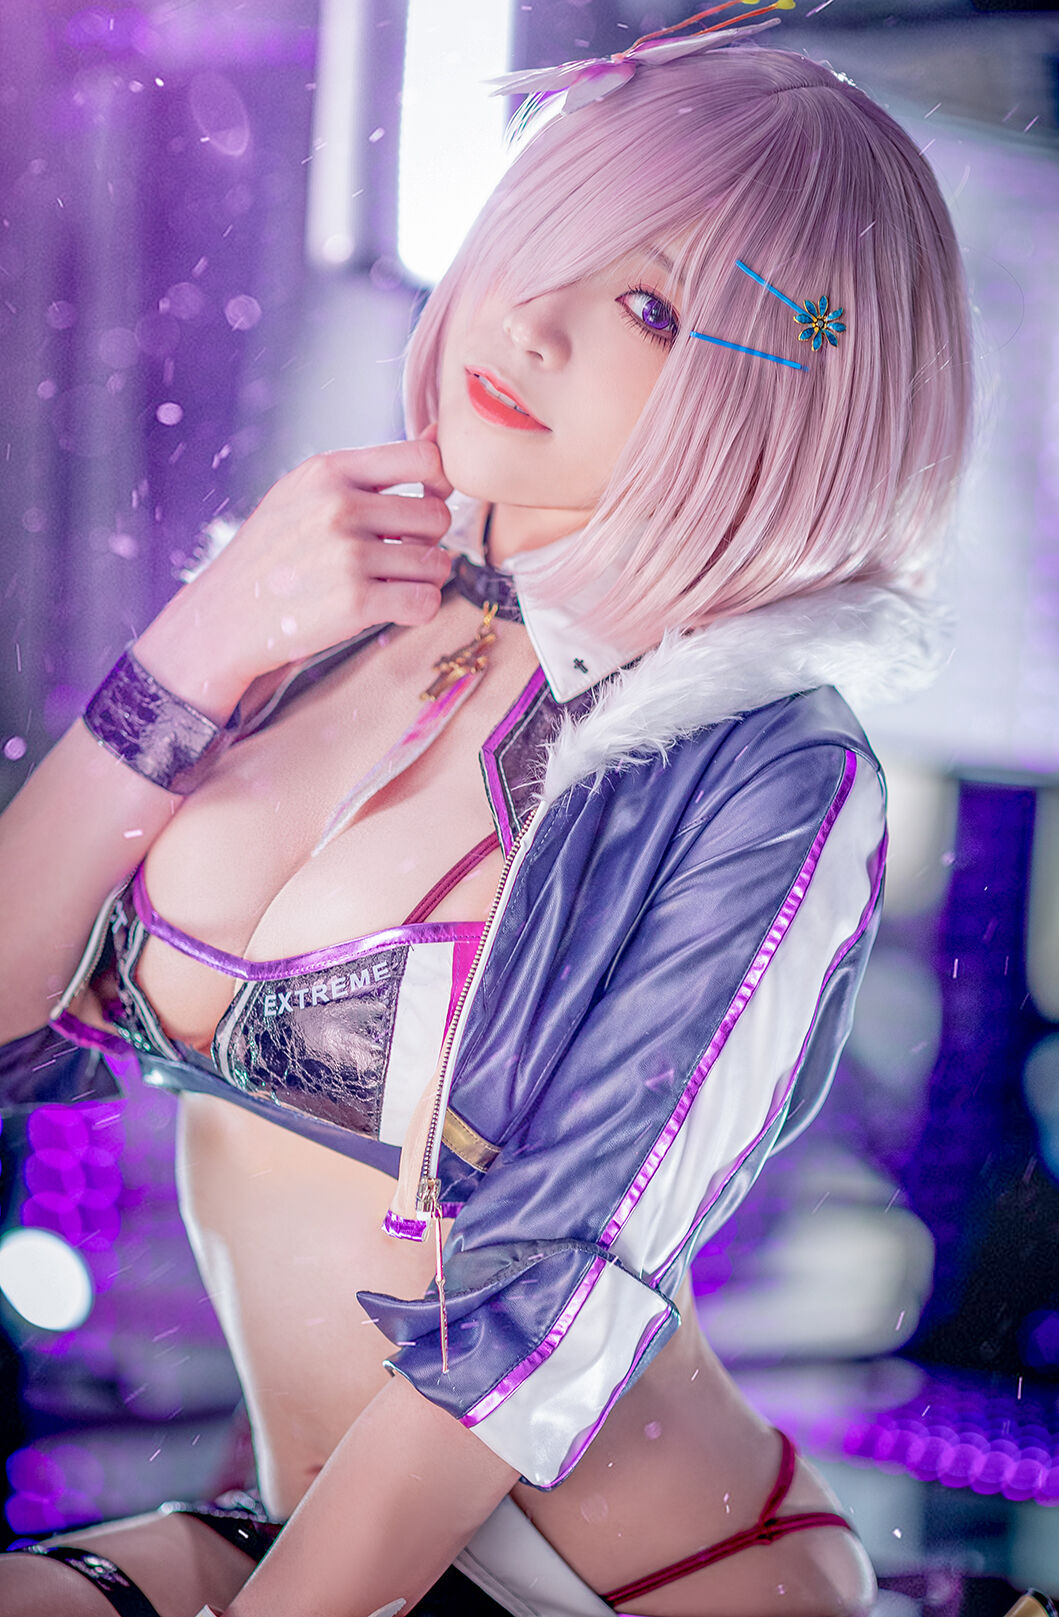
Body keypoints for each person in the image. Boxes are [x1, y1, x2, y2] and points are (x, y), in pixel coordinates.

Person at [0, 18, 972, 1617]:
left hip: (650, 1582)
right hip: (304, 1535)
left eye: (647, 306)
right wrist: (197, 643)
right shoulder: (335, 612)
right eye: (546, 230)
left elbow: (548, 1293)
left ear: (790, 405)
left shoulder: (767, 772)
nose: (529, 317)